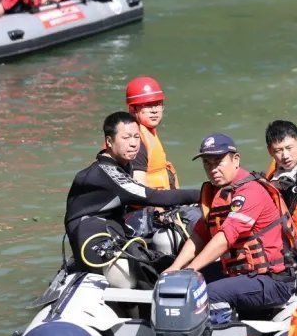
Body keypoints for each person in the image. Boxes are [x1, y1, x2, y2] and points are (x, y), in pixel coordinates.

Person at [164, 133, 296, 319]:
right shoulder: (221, 194)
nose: (213, 169)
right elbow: (200, 235)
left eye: (218, 162)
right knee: (175, 283)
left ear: (236, 159)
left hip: (273, 280)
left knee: (203, 292)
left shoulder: (250, 192)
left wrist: (190, 271)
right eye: (207, 164)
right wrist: (175, 269)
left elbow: (225, 238)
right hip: (242, 273)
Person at [65, 112, 199, 277]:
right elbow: (151, 197)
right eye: (126, 137)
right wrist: (202, 194)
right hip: (92, 242)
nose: (134, 143)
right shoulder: (107, 174)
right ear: (109, 141)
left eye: (136, 137)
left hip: (112, 229)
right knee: (162, 267)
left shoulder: (120, 165)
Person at [124, 76, 179, 189]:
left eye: (158, 104)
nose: (154, 110)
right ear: (132, 109)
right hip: (148, 205)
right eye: (148, 105)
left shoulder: (148, 132)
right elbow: (139, 191)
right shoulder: (134, 142)